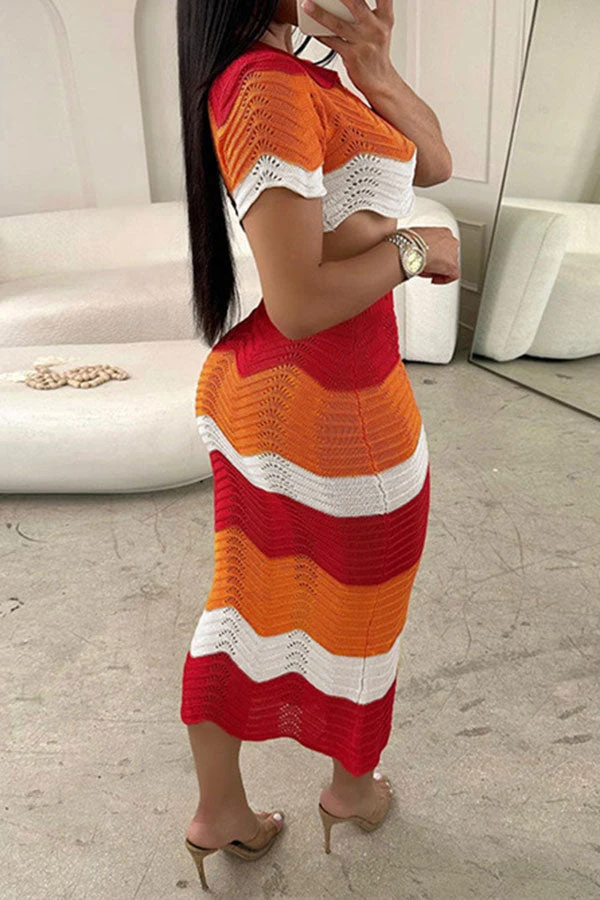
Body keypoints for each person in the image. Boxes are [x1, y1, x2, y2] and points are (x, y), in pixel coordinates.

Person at [176, 0, 460, 889]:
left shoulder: (308, 73)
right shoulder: (264, 88)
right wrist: (415, 248)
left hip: (289, 394)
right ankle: (351, 790)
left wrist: (375, 64)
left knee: (247, 599)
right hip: (331, 407)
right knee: (362, 613)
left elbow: (435, 160)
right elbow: (298, 303)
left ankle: (221, 812)